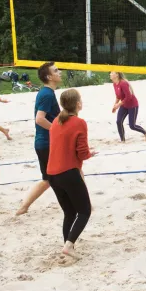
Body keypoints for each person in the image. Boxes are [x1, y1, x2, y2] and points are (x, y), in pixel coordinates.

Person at [47, 88, 97, 258]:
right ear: (77, 104)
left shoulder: (55, 121)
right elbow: (82, 153)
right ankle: (69, 246)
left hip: (52, 174)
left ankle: (68, 247)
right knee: (84, 211)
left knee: (69, 212)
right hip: (68, 172)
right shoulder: (79, 122)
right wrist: (90, 153)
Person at [16, 61, 62, 216]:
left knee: (51, 178)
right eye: (56, 70)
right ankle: (83, 205)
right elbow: (39, 119)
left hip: (46, 143)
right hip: (47, 143)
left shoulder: (47, 93)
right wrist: (58, 130)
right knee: (55, 177)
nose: (59, 72)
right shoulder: (47, 94)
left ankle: (24, 207)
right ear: (49, 76)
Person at [110, 71, 146, 143]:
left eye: (112, 73)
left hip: (132, 105)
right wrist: (114, 106)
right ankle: (122, 140)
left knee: (132, 126)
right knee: (119, 122)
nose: (110, 74)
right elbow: (118, 96)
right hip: (124, 105)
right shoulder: (114, 84)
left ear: (117, 75)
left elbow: (129, 97)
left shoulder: (123, 83)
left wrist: (118, 105)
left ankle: (145, 133)